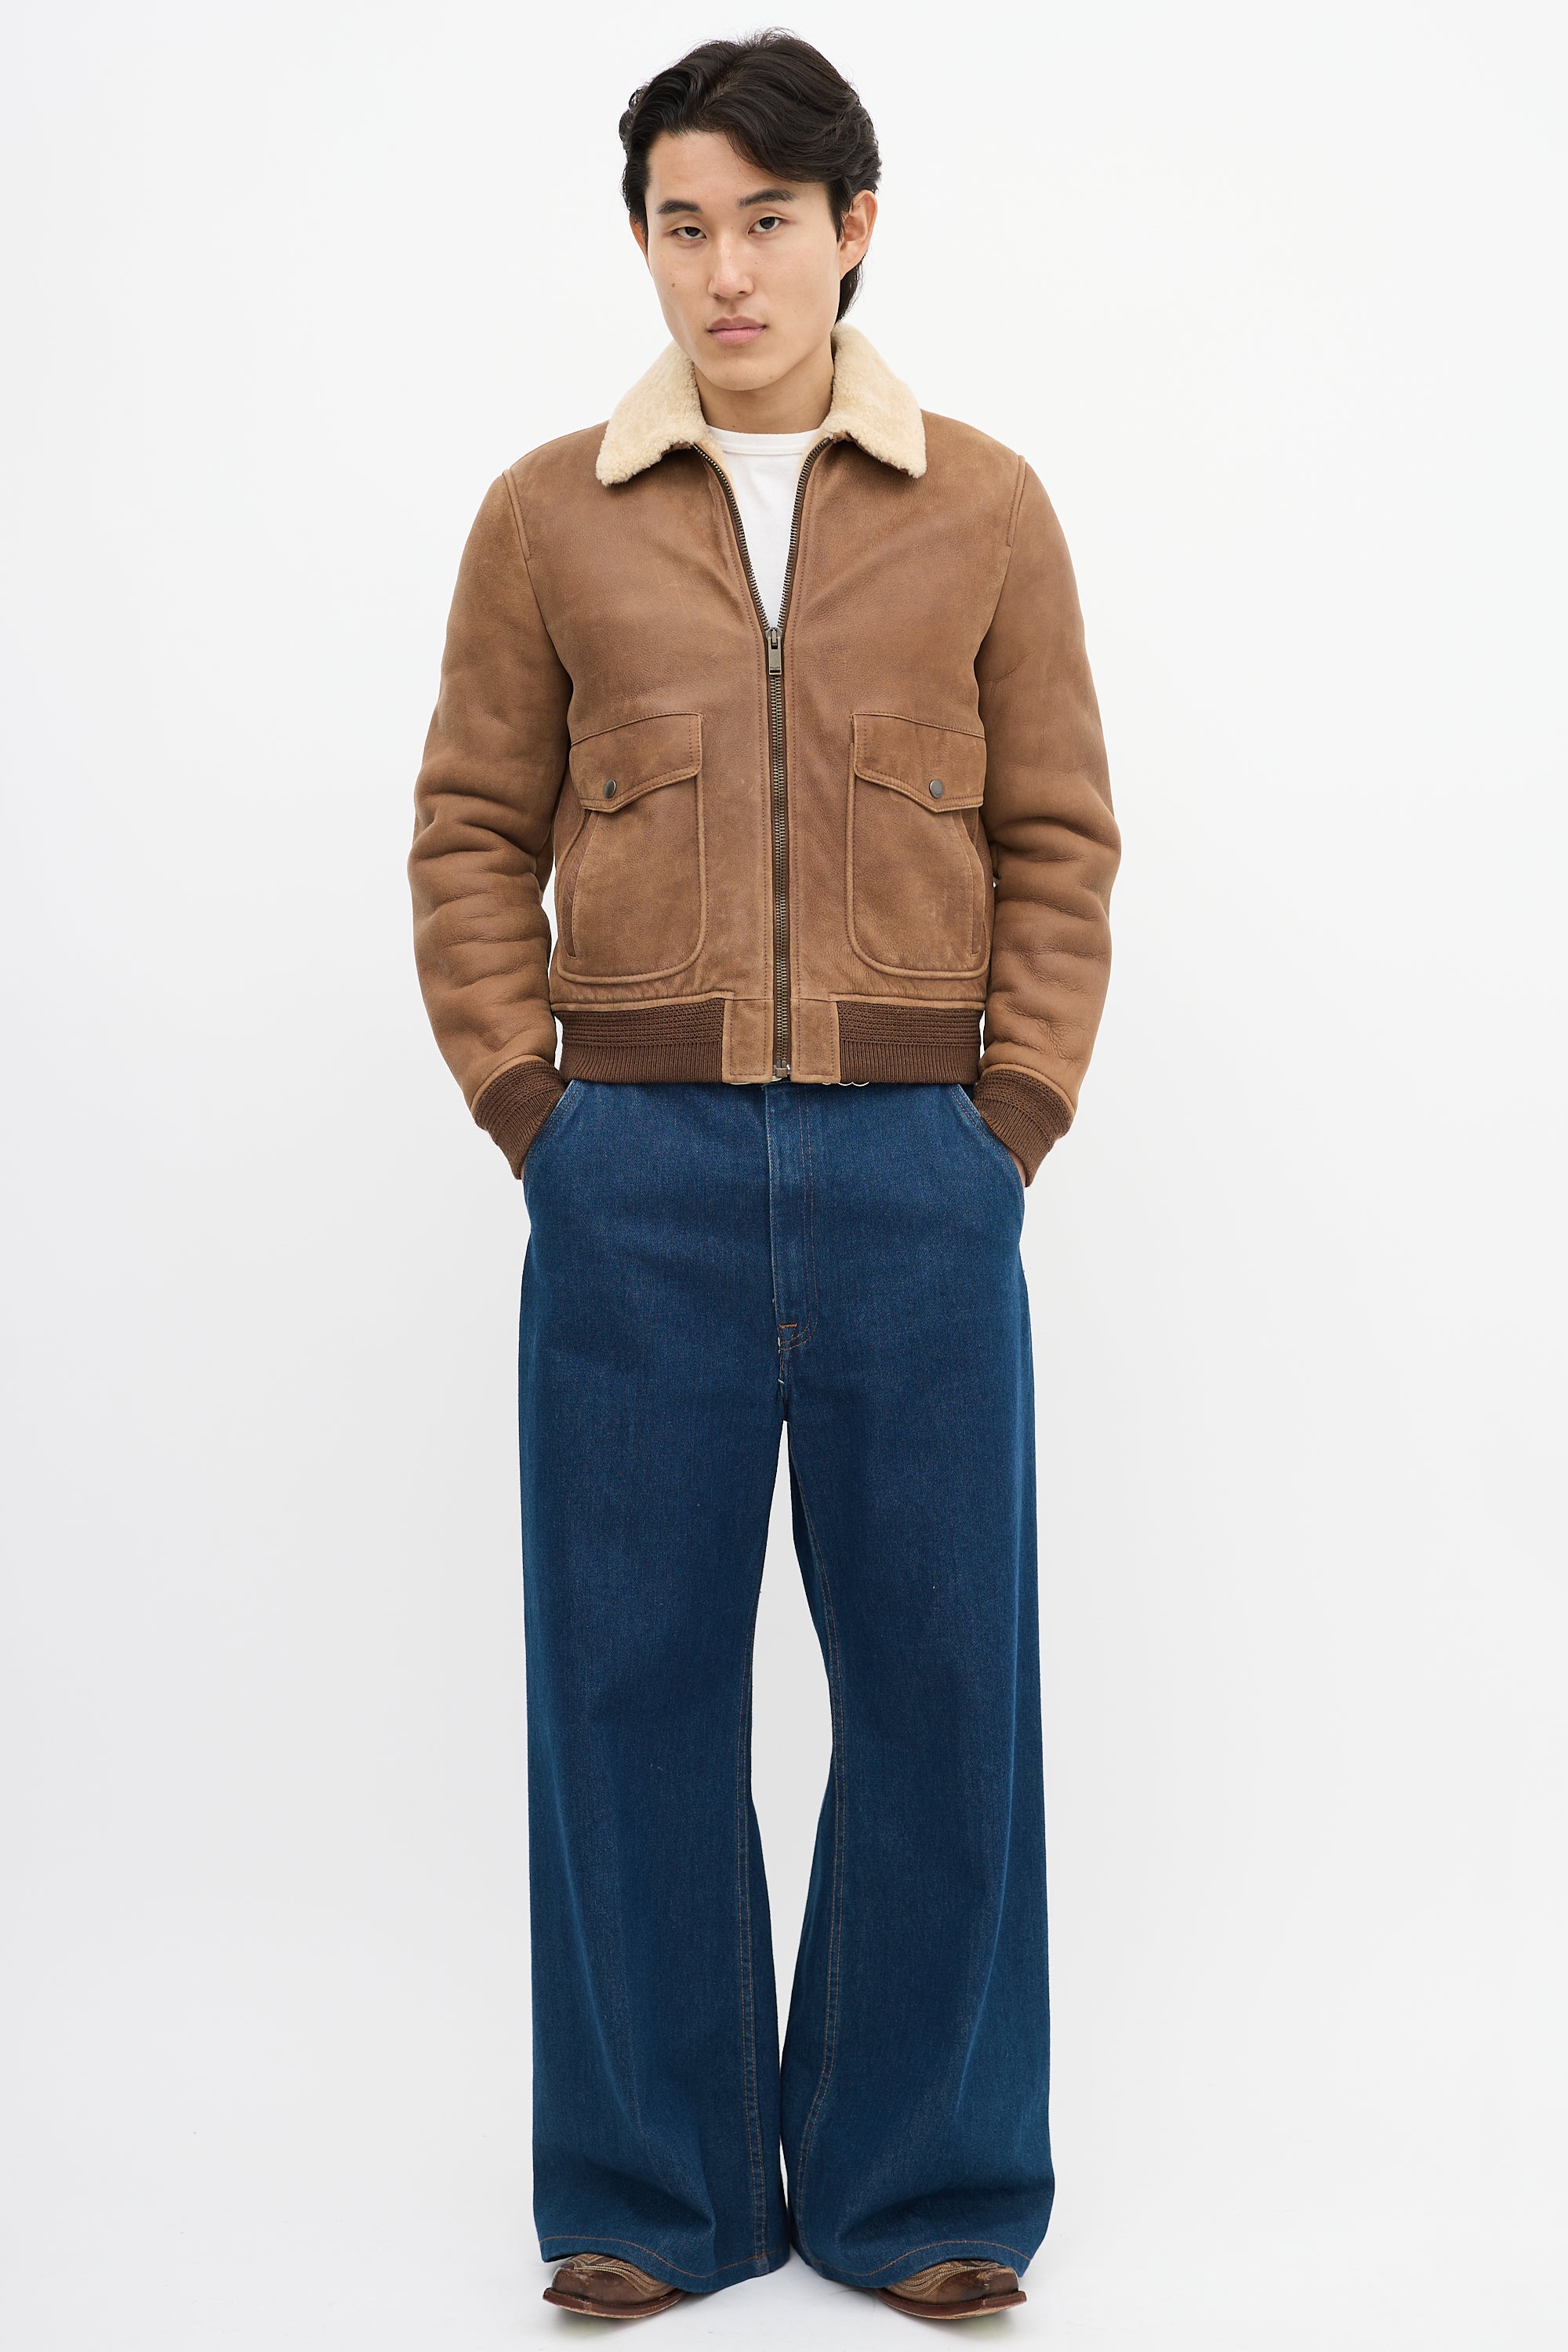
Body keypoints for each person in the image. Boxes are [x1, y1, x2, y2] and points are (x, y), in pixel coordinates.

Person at [408, 31, 1120, 2326]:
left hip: (924, 1169)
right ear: (645, 244)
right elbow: (467, 832)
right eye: (682, 226)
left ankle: (926, 2192)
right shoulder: (547, 517)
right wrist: (540, 1111)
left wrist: (1010, 1120)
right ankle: (655, 2194)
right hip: (638, 1176)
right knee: (624, 1682)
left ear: (853, 230)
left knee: (942, 1689)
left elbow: (1062, 838)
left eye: (768, 223)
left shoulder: (984, 507)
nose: (725, 271)